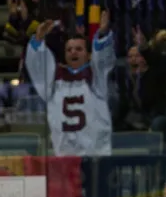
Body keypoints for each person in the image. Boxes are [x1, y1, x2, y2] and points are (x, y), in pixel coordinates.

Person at [25, 10, 114, 156]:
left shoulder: (96, 77)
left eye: (79, 49)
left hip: (95, 156)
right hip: (64, 157)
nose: (73, 52)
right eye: (69, 50)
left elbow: (103, 60)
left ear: (89, 54)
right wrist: (39, 38)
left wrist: (102, 34)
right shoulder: (54, 80)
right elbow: (38, 67)